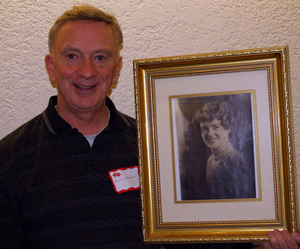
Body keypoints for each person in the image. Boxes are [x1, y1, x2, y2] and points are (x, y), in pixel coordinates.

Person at [0, 3, 294, 249]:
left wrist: (255, 241)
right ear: (52, 67)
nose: (87, 71)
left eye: (101, 57)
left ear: (116, 70)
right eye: (72, 56)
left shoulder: (155, 147)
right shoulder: (9, 158)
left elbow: (199, 232)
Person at [193, 101, 255, 199]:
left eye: (216, 127)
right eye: (204, 128)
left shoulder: (235, 160)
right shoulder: (210, 160)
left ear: (227, 129)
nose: (210, 133)